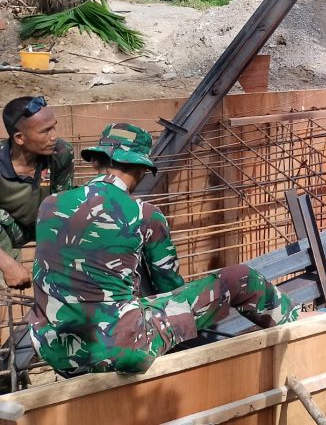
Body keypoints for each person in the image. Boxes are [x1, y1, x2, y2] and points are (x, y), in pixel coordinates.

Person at [28, 123, 300, 377]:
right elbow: (167, 284)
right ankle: (300, 323)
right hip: (116, 350)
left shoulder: (49, 205)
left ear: (97, 161)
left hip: (52, 348)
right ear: (141, 170)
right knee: (241, 278)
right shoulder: (145, 214)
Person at [0, 96, 74, 289]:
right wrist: (7, 264)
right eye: (45, 131)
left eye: (54, 127)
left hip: (44, 222)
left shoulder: (61, 152)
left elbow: (63, 206)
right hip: (8, 230)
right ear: (19, 138)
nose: (54, 136)